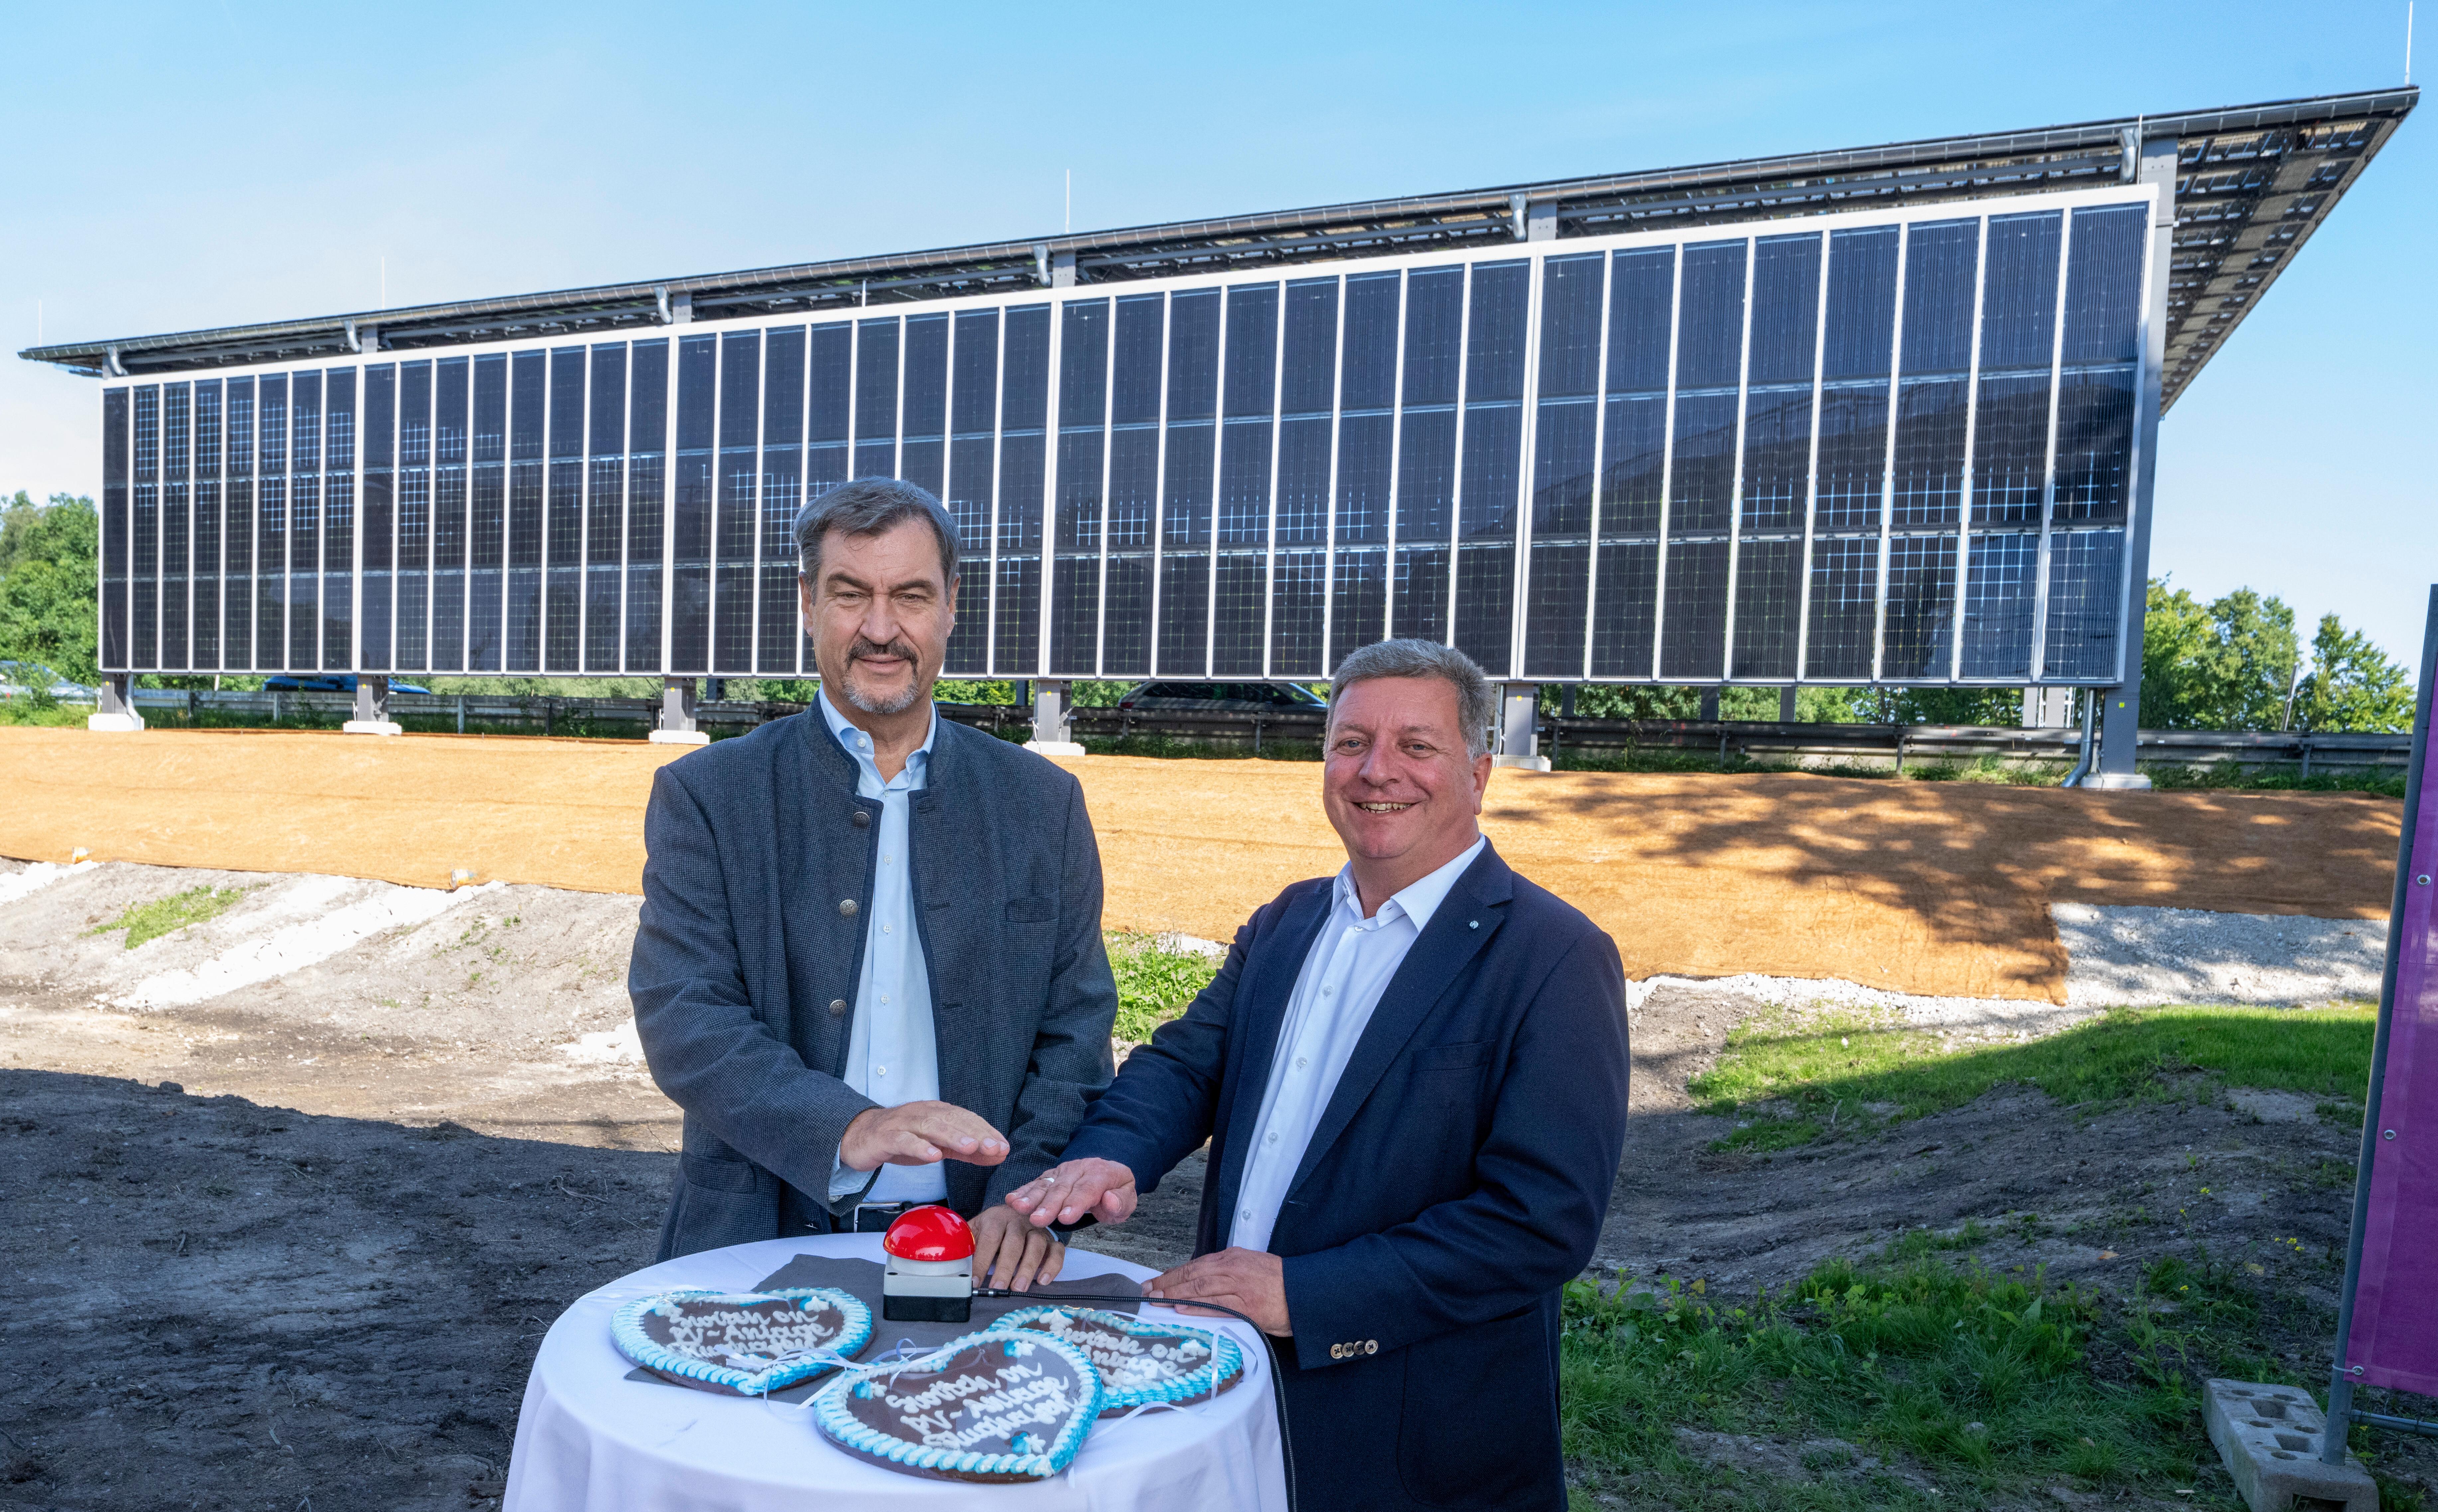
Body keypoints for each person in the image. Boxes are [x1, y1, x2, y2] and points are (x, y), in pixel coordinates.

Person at [1006, 639, 1630, 1512]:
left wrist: (1308, 1293)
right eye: (1350, 742)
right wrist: (1115, 1153)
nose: (1378, 770)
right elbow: (1190, 1061)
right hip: (1238, 1392)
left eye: (1417, 745)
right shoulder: (1290, 918)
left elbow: (1542, 1220)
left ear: (1481, 771)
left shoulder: (1555, 956)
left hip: (1417, 1440)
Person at [630, 477, 1117, 1292]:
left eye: (911, 595)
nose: (881, 629)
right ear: (807, 603)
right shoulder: (710, 796)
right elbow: (685, 1014)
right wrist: (851, 1126)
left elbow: (1075, 1033)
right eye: (851, 594)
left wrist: (1018, 1197)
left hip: (985, 1250)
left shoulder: (1041, 804)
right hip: (753, 1241)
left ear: (951, 605)